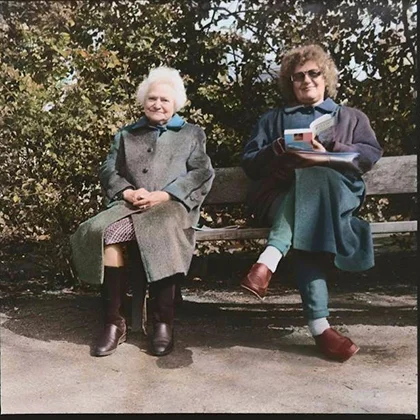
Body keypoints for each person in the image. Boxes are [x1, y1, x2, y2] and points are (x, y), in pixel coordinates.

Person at [241, 44, 383, 362]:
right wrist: (276, 148)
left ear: (326, 76)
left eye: (313, 73)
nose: (306, 80)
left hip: (336, 196)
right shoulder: (273, 119)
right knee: (307, 217)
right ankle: (321, 329)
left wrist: (327, 150)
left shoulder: (350, 117)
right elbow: (250, 163)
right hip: (279, 197)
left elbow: (369, 156)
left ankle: (269, 259)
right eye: (298, 76)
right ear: (290, 83)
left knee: (317, 181)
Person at [70, 66, 215, 357]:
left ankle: (163, 323)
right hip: (129, 206)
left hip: (171, 206)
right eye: (152, 98)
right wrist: (126, 191)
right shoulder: (127, 134)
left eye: (164, 99)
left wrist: (165, 194)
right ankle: (114, 322)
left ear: (175, 103)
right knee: (105, 234)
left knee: (159, 232)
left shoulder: (190, 134)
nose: (157, 104)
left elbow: (202, 172)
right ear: (143, 100)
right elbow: (108, 169)